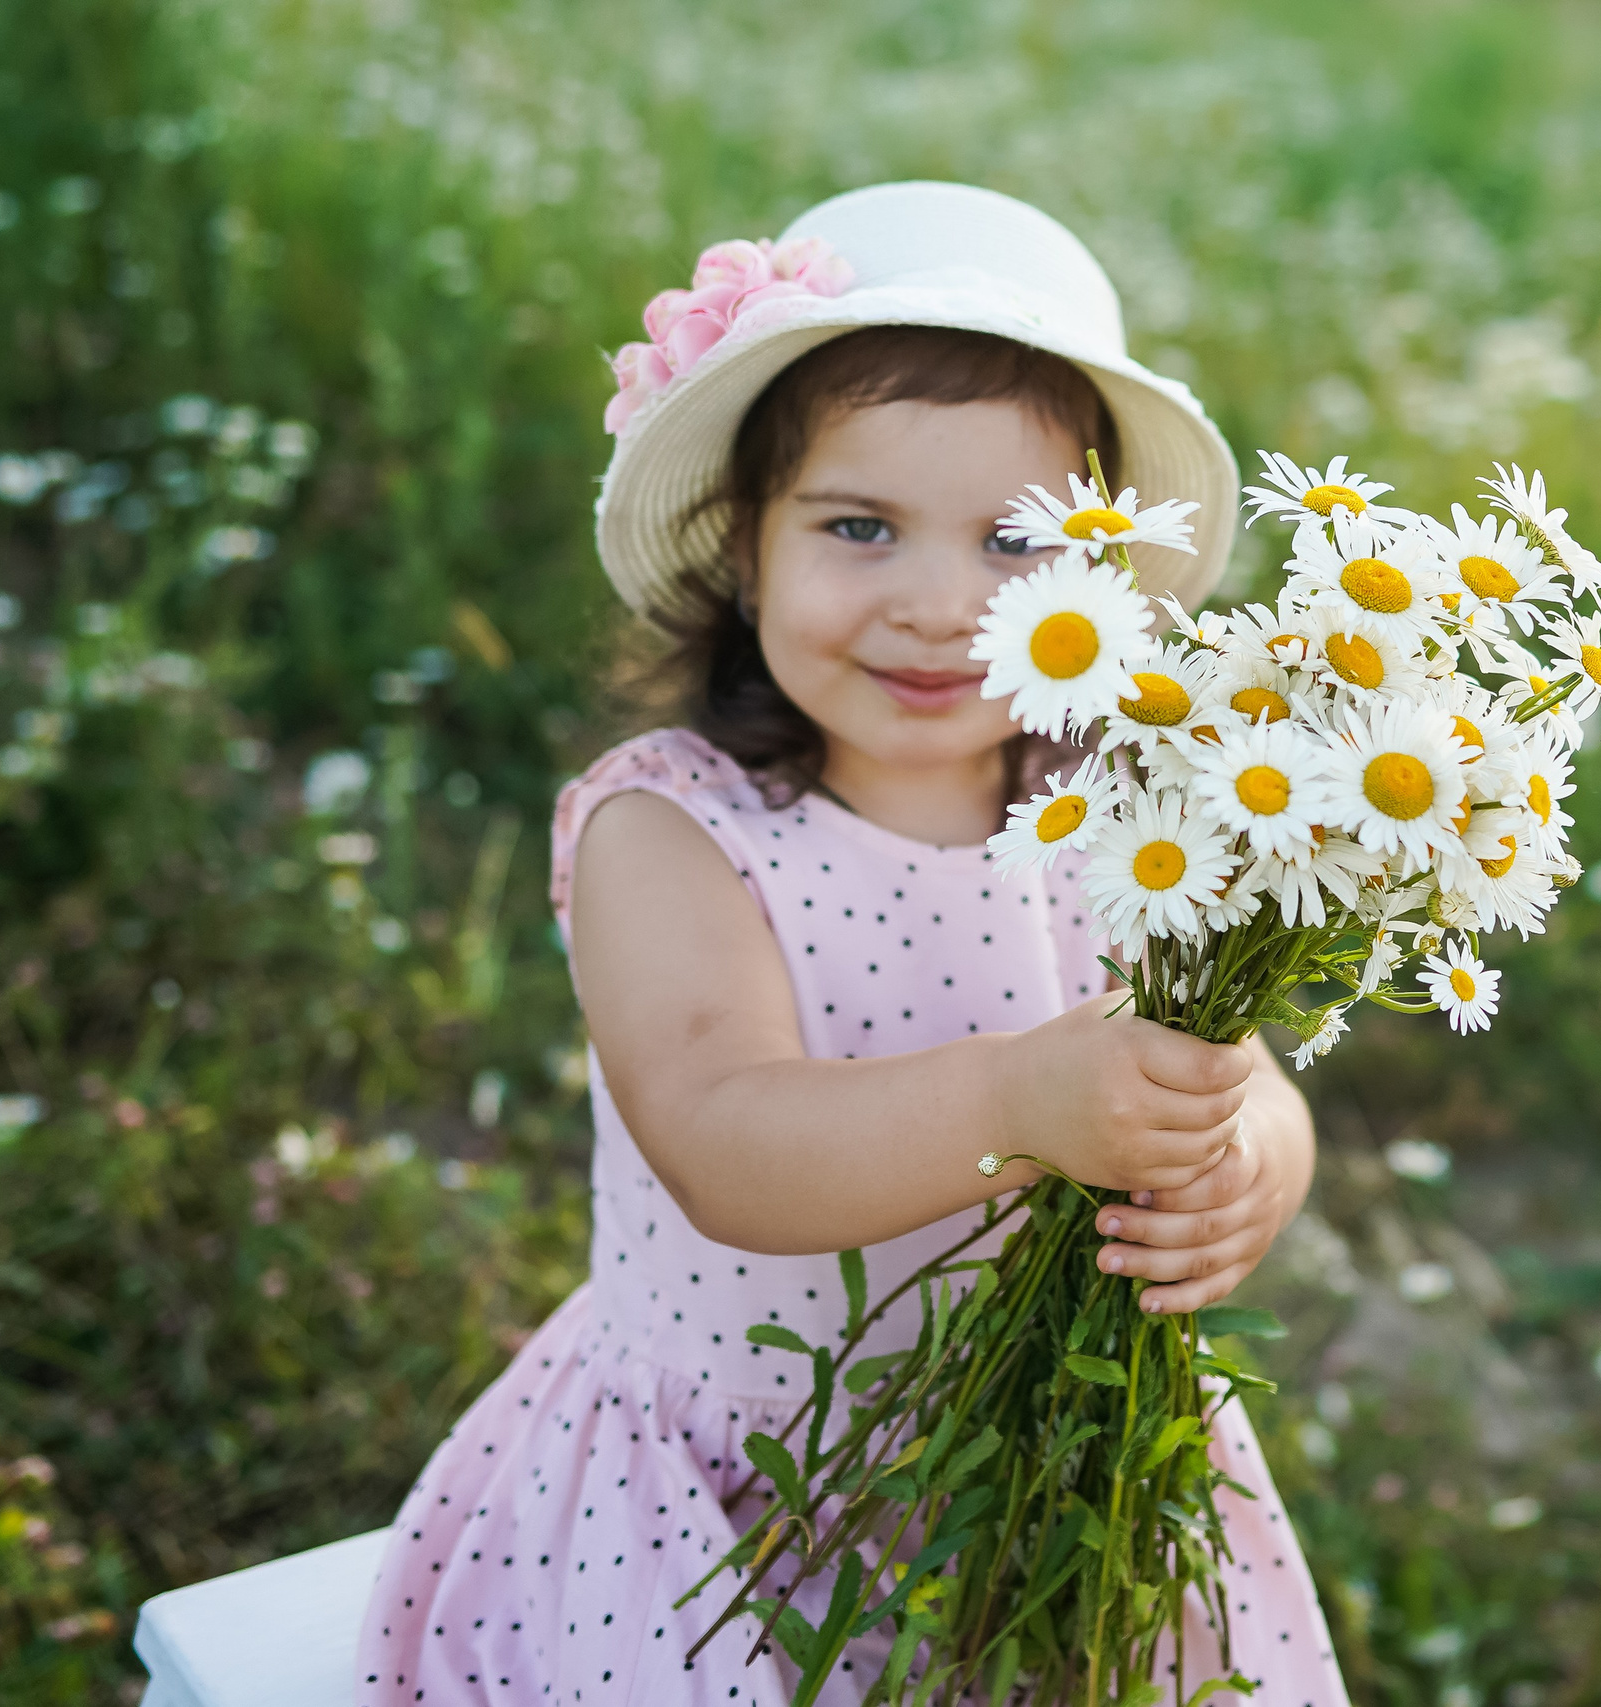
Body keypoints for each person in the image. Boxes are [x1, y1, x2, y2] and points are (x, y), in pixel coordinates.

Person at [355, 181, 1348, 1706]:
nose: (943, 605)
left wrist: (1247, 1167)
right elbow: (723, 1139)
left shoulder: (1115, 812)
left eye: (1019, 542)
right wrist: (1020, 1103)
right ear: (743, 553)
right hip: (729, 1500)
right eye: (860, 527)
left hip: (1040, 1464)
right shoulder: (675, 830)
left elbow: (1240, 1071)